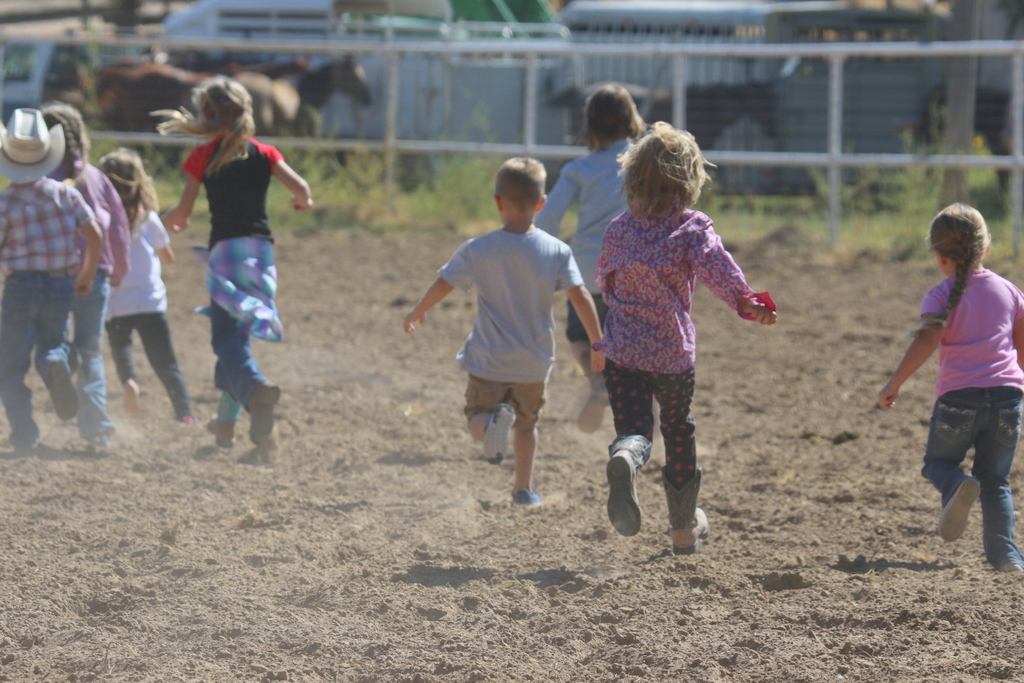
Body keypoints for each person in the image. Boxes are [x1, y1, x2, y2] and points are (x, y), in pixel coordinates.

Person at [595, 122, 777, 554]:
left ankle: (627, 455)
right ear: (690, 179)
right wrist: (746, 302)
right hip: (672, 354)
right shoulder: (691, 229)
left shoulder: (619, 229)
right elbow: (720, 269)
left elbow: (605, 282)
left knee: (636, 427)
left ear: (633, 177)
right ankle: (682, 528)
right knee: (678, 429)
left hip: (622, 350)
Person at [403, 157, 605, 507]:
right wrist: (598, 342)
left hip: (488, 361)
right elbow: (581, 296)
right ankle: (523, 490)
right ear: (541, 205)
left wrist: (418, 310)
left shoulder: (478, 248)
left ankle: (491, 423)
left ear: (498, 201)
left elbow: (444, 283)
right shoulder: (557, 250)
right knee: (527, 426)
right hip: (533, 362)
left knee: (475, 421)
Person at [155, 75, 313, 449]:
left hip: (224, 253)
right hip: (261, 254)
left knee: (225, 337)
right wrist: (300, 203)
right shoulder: (266, 153)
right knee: (236, 337)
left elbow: (183, 211)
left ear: (209, 114)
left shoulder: (202, 157)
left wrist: (160, 227)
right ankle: (225, 424)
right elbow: (303, 190)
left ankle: (256, 388)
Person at [879, 204, 1024, 573]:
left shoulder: (940, 295)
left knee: (938, 463)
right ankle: (1007, 557)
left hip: (959, 398)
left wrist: (894, 384)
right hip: (1009, 398)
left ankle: (957, 484)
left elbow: (927, 341)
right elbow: (1021, 351)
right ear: (985, 250)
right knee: (996, 481)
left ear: (940, 257)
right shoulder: (1010, 291)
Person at [536, 83, 644, 434]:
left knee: (579, 337)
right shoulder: (643, 161)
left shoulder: (578, 168)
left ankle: (599, 383)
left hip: (587, 270)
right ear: (630, 121)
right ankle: (647, 425)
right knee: (637, 345)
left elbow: (548, 220)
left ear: (590, 126)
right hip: (637, 271)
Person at [0, 108, 102, 452]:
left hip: (19, 287)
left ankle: (26, 436)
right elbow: (94, 233)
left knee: (10, 367)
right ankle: (55, 364)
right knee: (52, 343)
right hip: (60, 282)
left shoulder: (5, 202)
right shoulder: (66, 194)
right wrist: (86, 275)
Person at [42, 102, 132, 450]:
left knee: (53, 339)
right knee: (91, 351)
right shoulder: (97, 178)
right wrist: (119, 269)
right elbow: (119, 228)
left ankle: (59, 362)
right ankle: (97, 430)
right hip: (96, 273)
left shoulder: (41, 180)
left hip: (55, 272)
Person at [97, 148, 194, 424]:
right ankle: (184, 413)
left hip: (117, 303)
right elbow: (168, 258)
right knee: (166, 363)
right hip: (150, 301)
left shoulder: (102, 223)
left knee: (121, 348)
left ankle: (130, 381)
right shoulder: (149, 219)